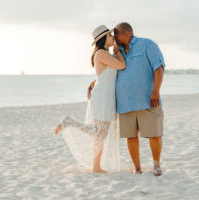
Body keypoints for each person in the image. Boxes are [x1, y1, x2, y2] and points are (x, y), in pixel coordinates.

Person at [88, 22, 165, 176]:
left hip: (147, 100)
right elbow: (107, 72)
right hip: (124, 103)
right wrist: (94, 82)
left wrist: (156, 91)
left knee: (154, 134)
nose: (114, 38)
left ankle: (156, 165)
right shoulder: (118, 50)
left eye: (115, 34)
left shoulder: (147, 44)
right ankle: (137, 168)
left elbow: (159, 66)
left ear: (125, 32)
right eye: (111, 35)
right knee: (131, 136)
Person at [55, 25, 126, 173]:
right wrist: (118, 51)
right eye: (110, 36)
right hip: (102, 97)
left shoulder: (105, 53)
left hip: (105, 95)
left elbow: (104, 74)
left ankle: (96, 166)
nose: (113, 37)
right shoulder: (101, 53)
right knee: (100, 132)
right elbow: (121, 65)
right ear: (103, 39)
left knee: (100, 134)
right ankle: (68, 121)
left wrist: (94, 82)